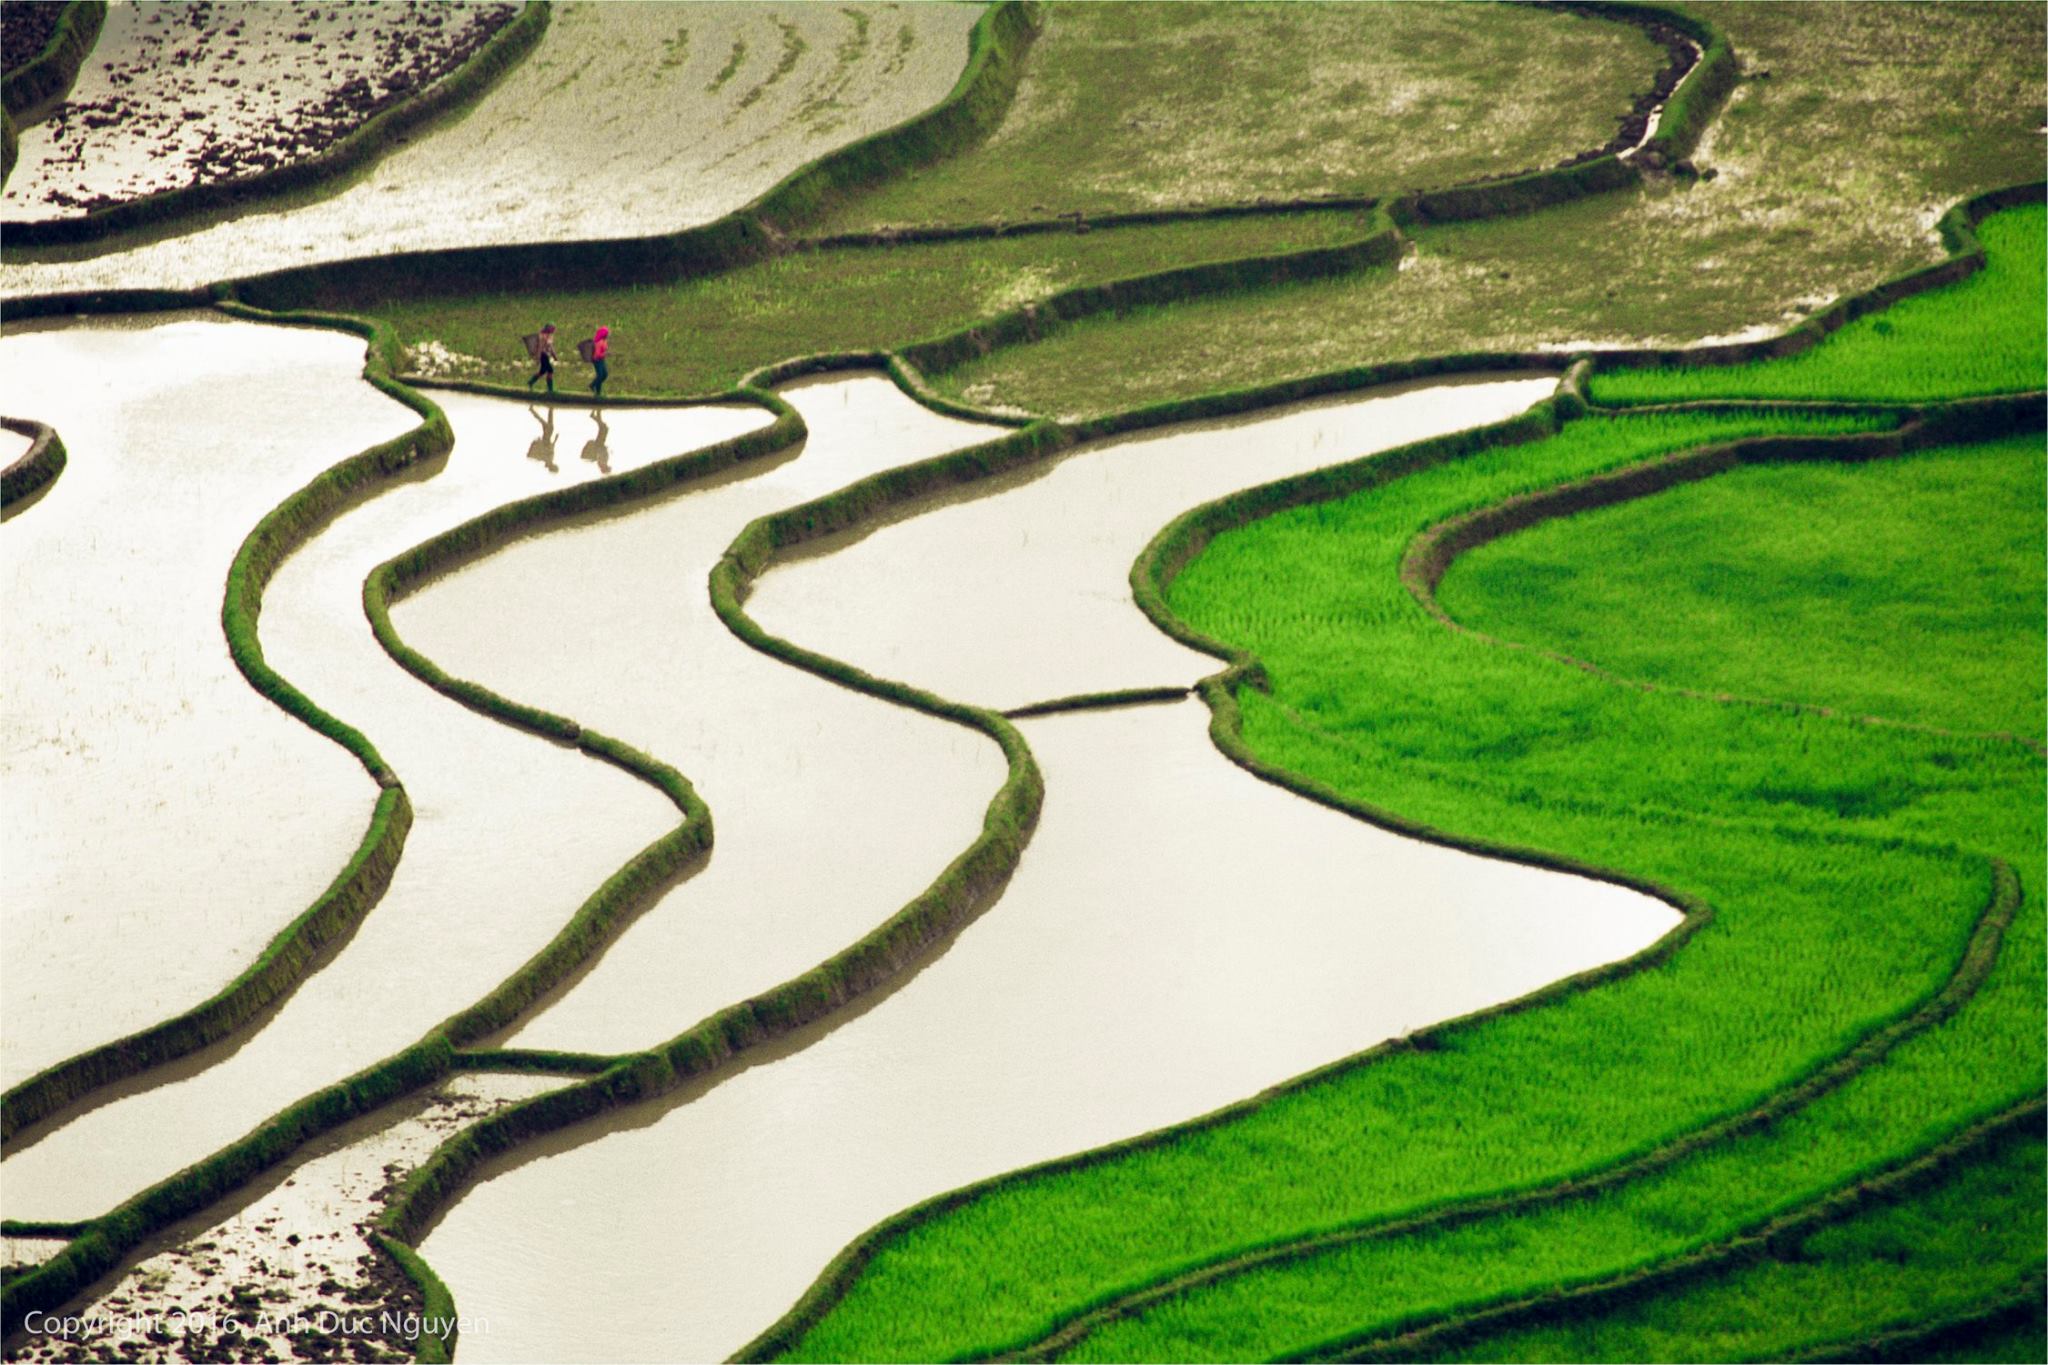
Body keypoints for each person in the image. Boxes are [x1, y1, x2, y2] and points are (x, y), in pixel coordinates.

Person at [525, 324, 558, 394]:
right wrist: (538, 357)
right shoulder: (543, 336)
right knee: (550, 370)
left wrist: (554, 355)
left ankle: (531, 382)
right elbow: (540, 347)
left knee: (542, 371)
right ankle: (550, 390)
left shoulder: (550, 337)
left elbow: (551, 347)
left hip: (547, 355)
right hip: (543, 355)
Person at [588, 324, 610, 398]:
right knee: (600, 375)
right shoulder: (599, 342)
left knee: (605, 374)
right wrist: (605, 354)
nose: (608, 335)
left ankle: (597, 391)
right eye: (607, 334)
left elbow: (604, 350)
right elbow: (597, 354)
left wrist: (605, 353)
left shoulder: (604, 341)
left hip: (601, 360)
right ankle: (593, 387)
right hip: (597, 360)